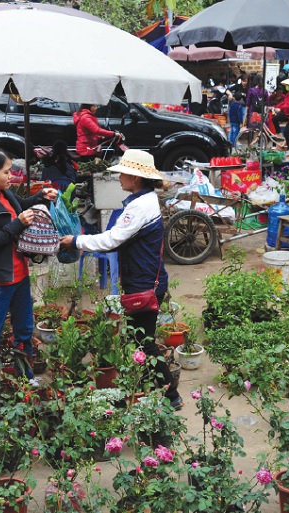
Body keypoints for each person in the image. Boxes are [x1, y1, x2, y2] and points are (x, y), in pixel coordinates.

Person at [58, 149, 181, 409]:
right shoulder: (144, 200)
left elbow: (111, 240)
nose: (119, 178)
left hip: (144, 286)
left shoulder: (138, 206)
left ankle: (169, 396)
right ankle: (147, 392)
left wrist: (76, 241)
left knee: (145, 344)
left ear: (135, 178)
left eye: (123, 173)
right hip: (146, 282)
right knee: (139, 341)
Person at [0, 147, 58, 385]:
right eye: (6, 172)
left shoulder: (3, 193)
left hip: (20, 275)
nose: (10, 176)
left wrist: (40, 197)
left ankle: (25, 378)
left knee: (24, 331)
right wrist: (18, 225)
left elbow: (21, 205)